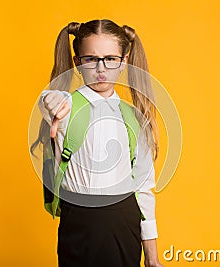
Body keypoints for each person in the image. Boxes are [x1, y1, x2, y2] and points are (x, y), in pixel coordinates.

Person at [35, 19, 163, 267]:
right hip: (80, 223)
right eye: (91, 59)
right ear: (77, 64)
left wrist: (152, 257)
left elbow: (144, 188)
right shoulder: (67, 107)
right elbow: (48, 102)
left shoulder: (134, 117)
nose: (101, 68)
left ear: (124, 62)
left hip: (125, 222)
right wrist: (50, 100)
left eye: (111, 58)